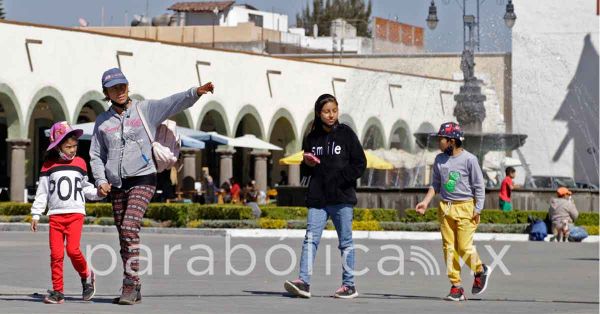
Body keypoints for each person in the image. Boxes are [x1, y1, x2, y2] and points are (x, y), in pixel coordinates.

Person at [90, 68, 214, 305]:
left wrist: (195, 92)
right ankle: (134, 284)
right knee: (124, 236)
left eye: (123, 85)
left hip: (143, 178)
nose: (120, 90)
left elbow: (172, 102)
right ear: (106, 92)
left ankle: (129, 283)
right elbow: (96, 155)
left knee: (129, 227)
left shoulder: (144, 109)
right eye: (114, 87)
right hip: (116, 184)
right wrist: (100, 180)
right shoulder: (102, 122)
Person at [284, 94, 366, 299]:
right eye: (326, 111)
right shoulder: (312, 137)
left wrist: (341, 179)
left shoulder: (347, 134)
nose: (331, 115)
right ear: (319, 113)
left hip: (342, 198)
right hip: (318, 198)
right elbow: (306, 172)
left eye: (334, 111)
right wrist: (307, 164)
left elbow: (360, 163)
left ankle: (349, 285)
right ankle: (303, 282)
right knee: (310, 239)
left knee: (345, 242)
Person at [415, 122, 491, 302]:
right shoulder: (439, 160)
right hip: (445, 207)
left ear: (451, 141)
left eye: (441, 139)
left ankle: (480, 270)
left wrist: (478, 208)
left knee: (464, 247)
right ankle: (456, 286)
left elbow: (479, 185)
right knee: (449, 249)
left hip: (465, 207)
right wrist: (426, 202)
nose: (438, 142)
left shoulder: (470, 159)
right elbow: (435, 184)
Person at [30, 121, 104, 304]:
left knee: (72, 250)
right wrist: (36, 214)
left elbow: (86, 188)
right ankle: (58, 292)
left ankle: (86, 274)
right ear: (58, 147)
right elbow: (43, 192)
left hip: (75, 214)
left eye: (75, 146)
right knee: (56, 254)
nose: (73, 150)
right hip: (56, 215)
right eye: (68, 146)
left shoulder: (80, 163)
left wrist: (99, 193)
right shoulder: (48, 165)